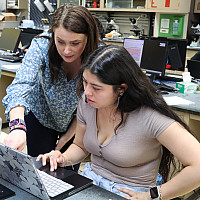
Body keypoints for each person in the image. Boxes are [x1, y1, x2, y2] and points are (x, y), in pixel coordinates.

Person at [37, 45, 200, 199]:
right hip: (90, 184)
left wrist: (154, 195)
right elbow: (80, 146)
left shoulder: (150, 117)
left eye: (96, 87)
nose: (87, 92)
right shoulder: (88, 104)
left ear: (121, 89)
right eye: (85, 82)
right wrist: (62, 158)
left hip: (130, 193)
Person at [2, 4, 100, 172]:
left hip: (77, 121)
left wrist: (63, 142)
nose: (67, 50)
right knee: (40, 171)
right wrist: (17, 126)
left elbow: (89, 106)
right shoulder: (42, 45)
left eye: (75, 43)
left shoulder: (98, 56)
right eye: (60, 41)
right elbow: (20, 86)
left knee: (67, 174)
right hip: (40, 116)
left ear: (88, 39)